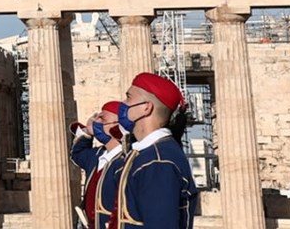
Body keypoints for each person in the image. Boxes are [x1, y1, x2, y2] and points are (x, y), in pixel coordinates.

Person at [112, 73, 198, 229]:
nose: (123, 104)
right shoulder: (145, 154)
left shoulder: (158, 161)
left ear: (146, 107)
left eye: (129, 97)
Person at [69, 101, 130, 229]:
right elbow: (77, 153)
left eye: (102, 118)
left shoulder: (125, 161)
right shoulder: (97, 156)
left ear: (118, 126)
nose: (96, 121)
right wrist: (87, 132)